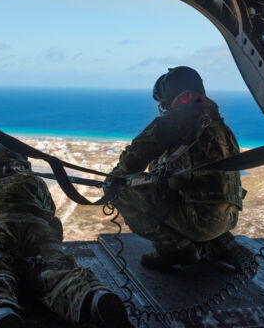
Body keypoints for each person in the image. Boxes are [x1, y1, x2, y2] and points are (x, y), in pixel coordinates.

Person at [0, 144, 133, 328]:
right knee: (57, 272)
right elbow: (50, 214)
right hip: (39, 231)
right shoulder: (36, 181)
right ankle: (93, 297)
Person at [106, 66, 254, 272]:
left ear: (170, 97)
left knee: (117, 189)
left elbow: (130, 163)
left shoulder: (174, 122)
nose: (163, 107)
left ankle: (174, 249)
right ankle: (217, 244)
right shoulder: (218, 125)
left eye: (162, 102)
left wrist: (111, 181)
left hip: (199, 219)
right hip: (229, 216)